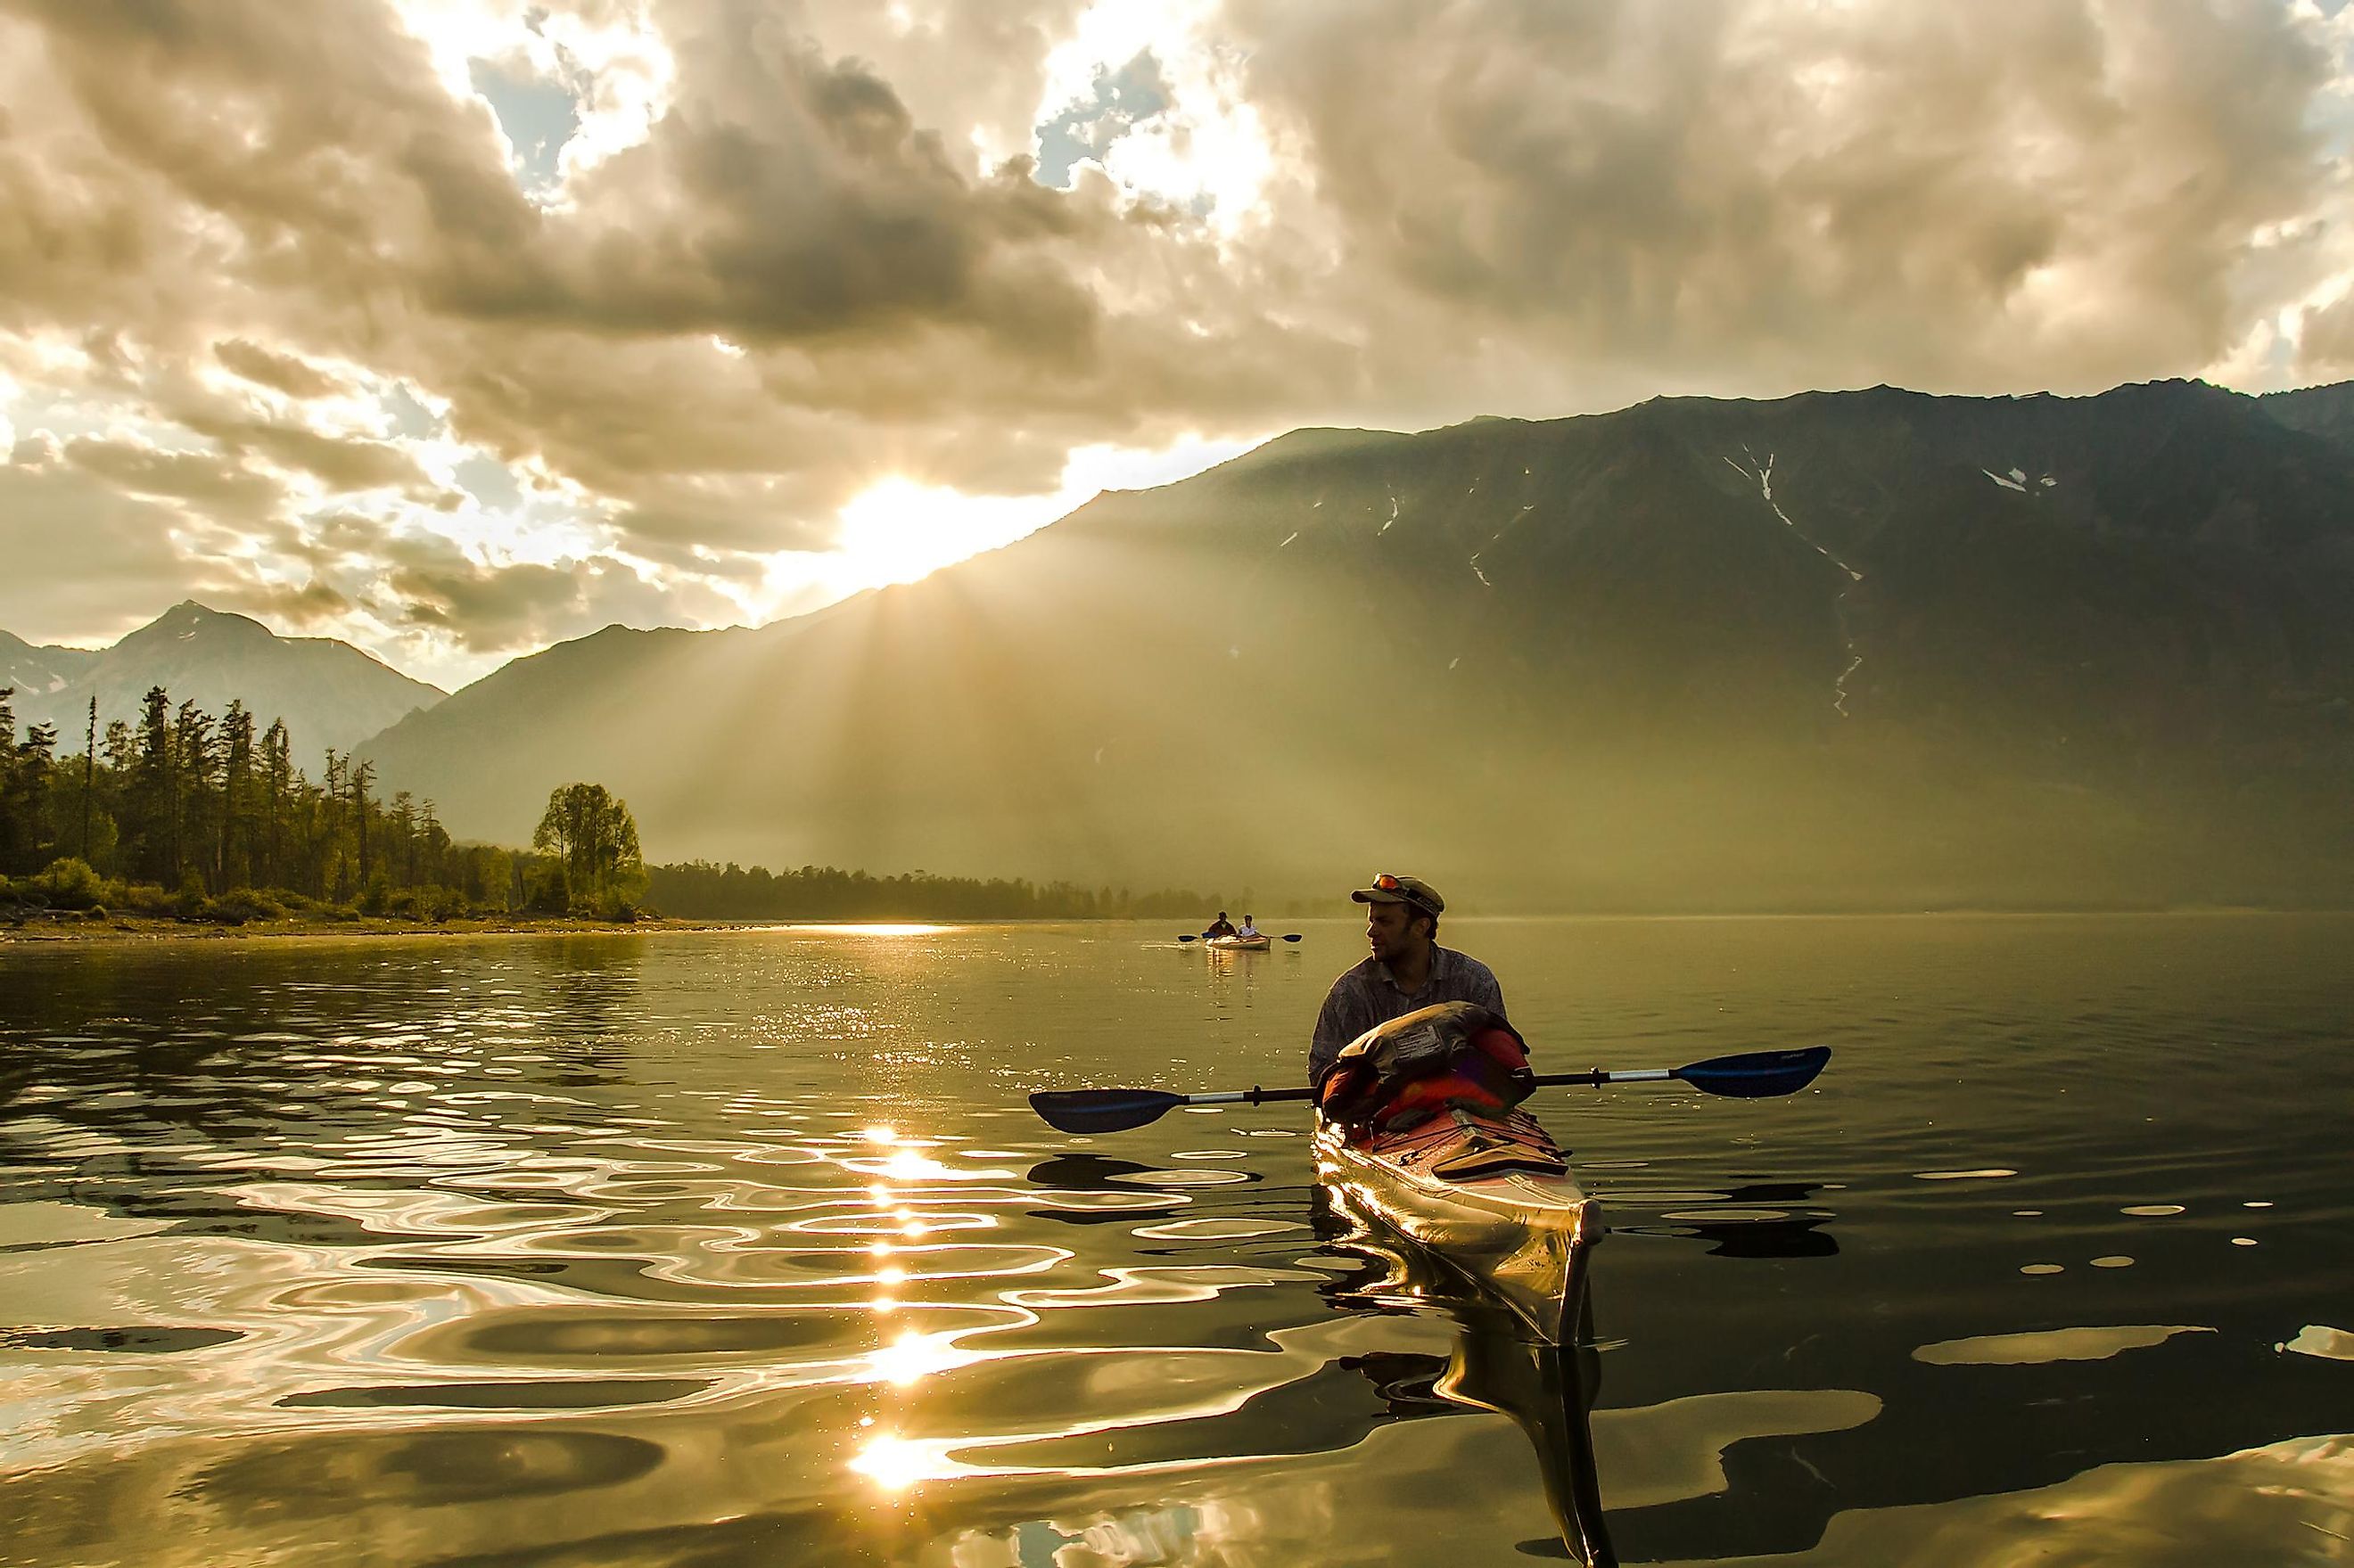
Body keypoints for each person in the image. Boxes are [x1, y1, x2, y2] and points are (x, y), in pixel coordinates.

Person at [1308, 874, 1507, 1085]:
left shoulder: (1475, 981)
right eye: (1372, 920)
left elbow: (1500, 1060)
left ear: (1420, 927)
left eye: (1384, 922)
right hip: (1377, 1112)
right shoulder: (1349, 992)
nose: (1371, 931)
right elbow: (1322, 1072)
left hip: (1461, 1106)